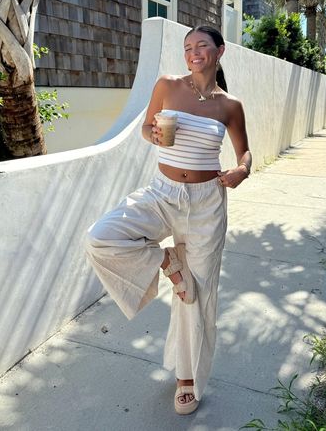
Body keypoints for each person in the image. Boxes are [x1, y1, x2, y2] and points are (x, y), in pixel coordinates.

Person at [85, 25, 251, 415]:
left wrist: (241, 171)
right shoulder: (167, 84)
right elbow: (146, 127)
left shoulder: (230, 105)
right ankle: (165, 261)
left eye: (202, 46)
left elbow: (245, 154)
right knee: (102, 237)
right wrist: (155, 136)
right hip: (162, 193)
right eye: (188, 47)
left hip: (208, 202)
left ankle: (187, 377)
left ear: (219, 51)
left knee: (198, 294)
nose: (194, 53)